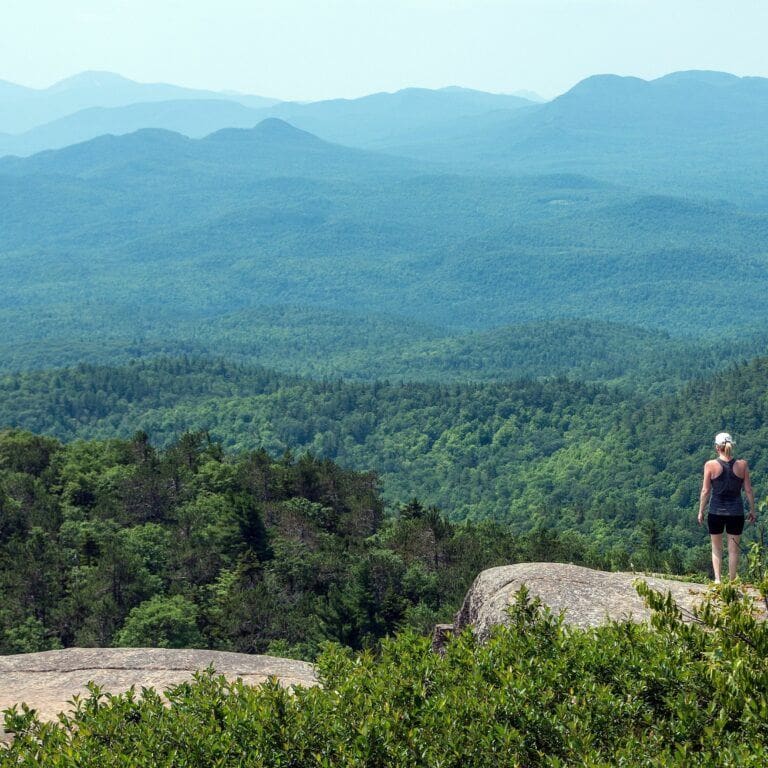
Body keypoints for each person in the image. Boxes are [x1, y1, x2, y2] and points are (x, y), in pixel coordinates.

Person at [697, 432, 756, 582]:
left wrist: (701, 511)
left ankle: (717, 580)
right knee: (733, 550)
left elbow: (705, 490)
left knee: (716, 548)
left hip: (715, 512)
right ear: (731, 446)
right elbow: (748, 490)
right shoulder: (742, 465)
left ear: (717, 447)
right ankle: (732, 581)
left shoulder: (710, 465)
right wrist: (752, 510)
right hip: (736, 513)